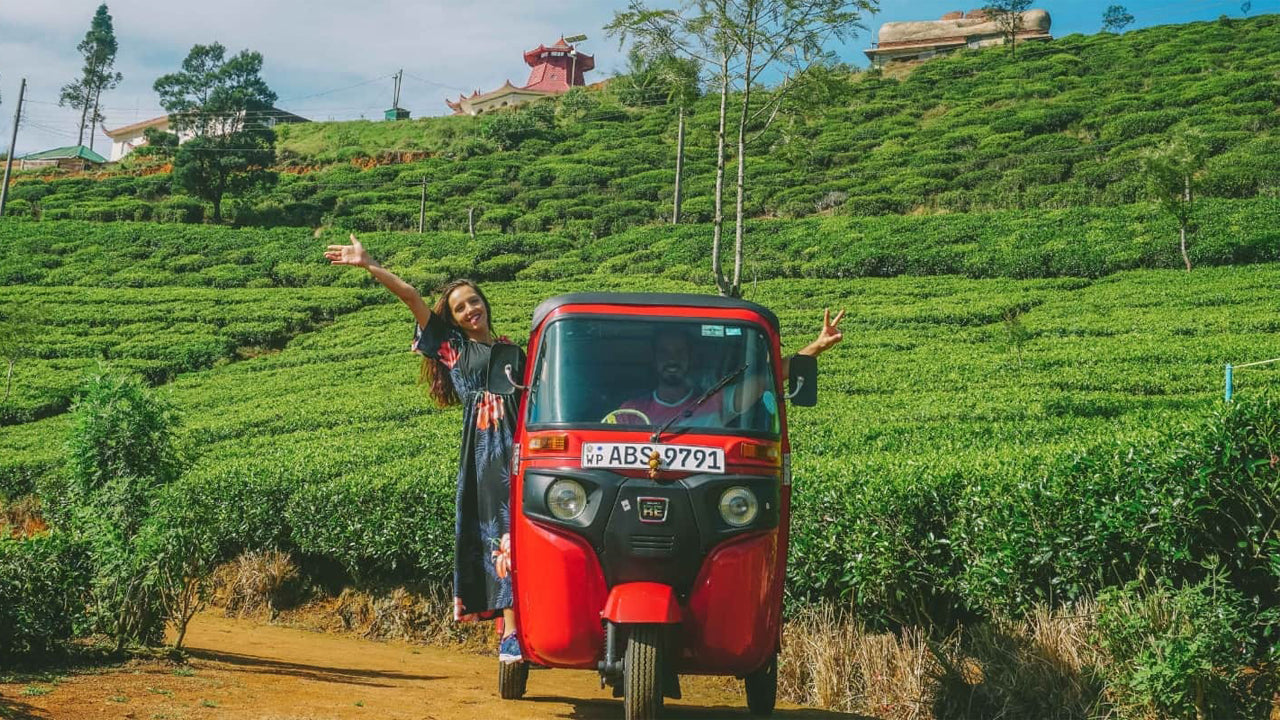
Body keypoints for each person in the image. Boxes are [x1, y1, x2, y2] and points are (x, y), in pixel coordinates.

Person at [325, 234, 525, 664]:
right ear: (452, 318)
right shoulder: (453, 348)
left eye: (474, 301)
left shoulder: (513, 350)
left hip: (523, 446)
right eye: (460, 307)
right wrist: (369, 264)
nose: (470, 310)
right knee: (504, 536)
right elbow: (411, 296)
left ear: (485, 303)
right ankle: (510, 631)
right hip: (488, 451)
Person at [617, 309, 847, 426]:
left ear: (691, 358)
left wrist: (817, 346)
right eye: (664, 352)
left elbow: (771, 376)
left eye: (679, 352)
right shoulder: (630, 412)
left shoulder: (713, 402)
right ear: (654, 358)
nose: (672, 359)